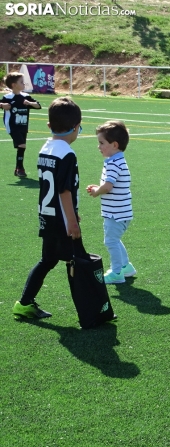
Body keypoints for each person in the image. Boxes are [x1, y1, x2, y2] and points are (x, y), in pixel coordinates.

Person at [12, 97, 82, 320]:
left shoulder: (46, 147)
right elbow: (64, 190)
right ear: (76, 127)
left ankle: (24, 303)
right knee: (76, 260)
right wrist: (72, 220)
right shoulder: (67, 154)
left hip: (47, 214)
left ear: (49, 126)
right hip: (61, 218)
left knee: (49, 260)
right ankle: (91, 309)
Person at [86, 120, 136, 284]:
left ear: (114, 145)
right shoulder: (116, 161)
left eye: (101, 143)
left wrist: (96, 191)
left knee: (111, 241)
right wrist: (98, 187)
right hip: (121, 212)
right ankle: (125, 266)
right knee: (114, 239)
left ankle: (116, 273)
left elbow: (107, 187)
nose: (98, 146)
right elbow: (109, 185)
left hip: (116, 213)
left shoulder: (114, 163)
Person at [1, 72, 42, 178]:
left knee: (22, 146)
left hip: (23, 125)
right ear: (14, 85)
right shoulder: (7, 97)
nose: (24, 84)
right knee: (21, 145)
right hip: (12, 125)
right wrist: (2, 105)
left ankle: (18, 168)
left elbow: (38, 106)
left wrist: (30, 103)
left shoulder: (26, 96)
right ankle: (20, 168)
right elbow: (1, 103)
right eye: (21, 82)